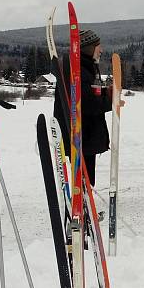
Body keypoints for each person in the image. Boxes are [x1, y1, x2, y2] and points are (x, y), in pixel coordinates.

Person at [54, 28, 119, 187]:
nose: (101, 50)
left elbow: (90, 93)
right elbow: (87, 104)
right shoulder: (77, 70)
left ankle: (86, 209)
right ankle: (82, 209)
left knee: (86, 180)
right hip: (81, 135)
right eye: (98, 46)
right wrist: (110, 100)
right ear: (88, 48)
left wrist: (106, 92)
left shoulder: (85, 66)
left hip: (86, 135)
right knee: (83, 181)